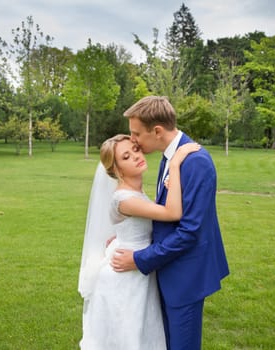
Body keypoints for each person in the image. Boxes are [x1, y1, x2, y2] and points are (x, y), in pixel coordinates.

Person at [111, 96, 230, 349]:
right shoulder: (170, 157)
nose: (133, 140)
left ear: (157, 131)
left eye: (136, 134)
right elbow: (166, 216)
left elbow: (189, 232)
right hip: (168, 271)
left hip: (185, 277)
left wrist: (139, 258)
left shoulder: (195, 162)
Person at [78, 134, 200, 349]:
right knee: (129, 336)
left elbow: (138, 226)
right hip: (126, 276)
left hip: (139, 267)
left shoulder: (135, 192)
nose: (136, 156)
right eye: (126, 156)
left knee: (142, 334)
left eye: (135, 149)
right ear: (117, 169)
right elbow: (172, 213)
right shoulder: (125, 198)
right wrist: (176, 163)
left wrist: (120, 236)